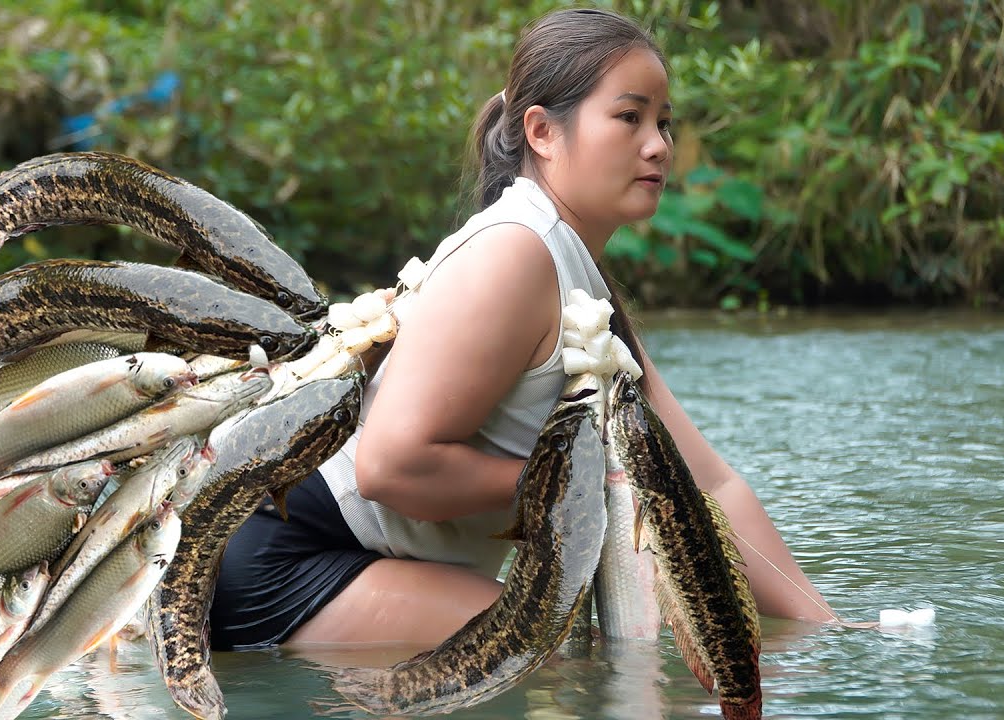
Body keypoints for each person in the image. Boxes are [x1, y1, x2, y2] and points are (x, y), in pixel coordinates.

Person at [209, 7, 839, 652]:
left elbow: (710, 484)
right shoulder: (515, 252)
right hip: (285, 555)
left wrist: (827, 631)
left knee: (594, 660)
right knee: (561, 665)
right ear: (541, 131)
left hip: (358, 555)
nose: (658, 144)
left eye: (664, 122)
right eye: (629, 117)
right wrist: (585, 484)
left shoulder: (579, 275)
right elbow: (389, 466)